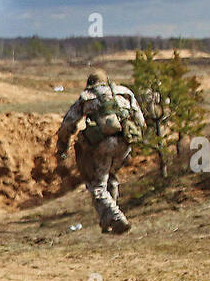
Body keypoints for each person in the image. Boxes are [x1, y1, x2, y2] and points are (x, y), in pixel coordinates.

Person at [55, 71, 146, 234]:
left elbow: (68, 124)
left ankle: (117, 217)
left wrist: (62, 146)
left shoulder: (87, 96)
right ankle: (107, 222)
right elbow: (140, 121)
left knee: (96, 185)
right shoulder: (125, 92)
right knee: (110, 177)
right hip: (125, 143)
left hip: (103, 145)